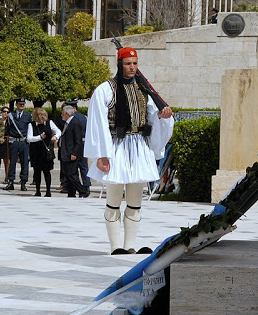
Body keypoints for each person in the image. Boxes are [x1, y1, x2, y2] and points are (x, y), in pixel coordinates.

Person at [85, 46, 174, 255]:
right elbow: (97, 123)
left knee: (135, 200)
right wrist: (101, 154)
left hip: (138, 146)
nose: (132, 67)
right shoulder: (106, 89)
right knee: (114, 199)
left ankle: (130, 245)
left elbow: (152, 117)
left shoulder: (144, 91)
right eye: (127, 64)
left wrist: (163, 117)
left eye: (135, 64)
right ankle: (116, 246)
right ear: (119, 64)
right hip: (116, 145)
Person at [28, 107, 60, 197]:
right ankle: (37, 190)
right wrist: (39, 137)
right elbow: (29, 138)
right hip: (36, 150)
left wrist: (56, 137)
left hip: (47, 150)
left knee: (47, 171)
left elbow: (58, 131)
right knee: (37, 171)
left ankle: (48, 191)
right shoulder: (32, 125)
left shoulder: (49, 123)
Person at [59, 105, 88, 198]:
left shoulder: (75, 123)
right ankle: (71, 192)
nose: (61, 115)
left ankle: (83, 191)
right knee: (68, 174)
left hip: (71, 153)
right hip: (66, 152)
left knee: (71, 174)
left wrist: (74, 153)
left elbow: (78, 140)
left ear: (66, 113)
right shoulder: (67, 123)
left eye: (63, 113)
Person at [4, 97, 32, 191]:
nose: (22, 105)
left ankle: (23, 182)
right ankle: (10, 181)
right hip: (14, 141)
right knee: (12, 163)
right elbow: (7, 129)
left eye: (23, 103)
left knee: (25, 162)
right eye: (20, 103)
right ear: (16, 105)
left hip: (24, 141)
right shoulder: (11, 115)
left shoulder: (28, 115)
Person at [64, 100, 91, 195]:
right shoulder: (84, 117)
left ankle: (77, 188)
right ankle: (86, 184)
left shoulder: (74, 119)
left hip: (76, 145)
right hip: (84, 143)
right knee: (84, 166)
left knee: (73, 168)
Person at [0, 106, 10, 184]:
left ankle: (6, 178)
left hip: (7, 142)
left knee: (7, 162)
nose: (5, 113)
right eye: (4, 111)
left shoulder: (10, 122)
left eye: (7, 112)